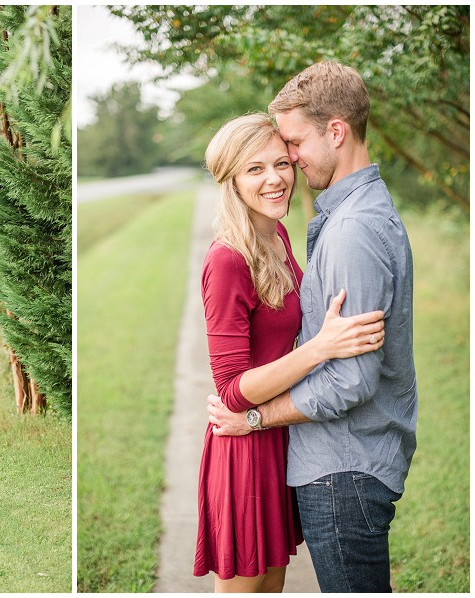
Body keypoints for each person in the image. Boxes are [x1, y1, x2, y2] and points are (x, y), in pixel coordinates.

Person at [207, 62, 417, 593]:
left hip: (308, 447)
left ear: (337, 131)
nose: (285, 169)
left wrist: (261, 421)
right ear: (231, 178)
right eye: (256, 168)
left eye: (288, 151)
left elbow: (350, 379)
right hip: (259, 445)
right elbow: (232, 390)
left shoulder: (308, 238)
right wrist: (318, 349)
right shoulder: (233, 258)